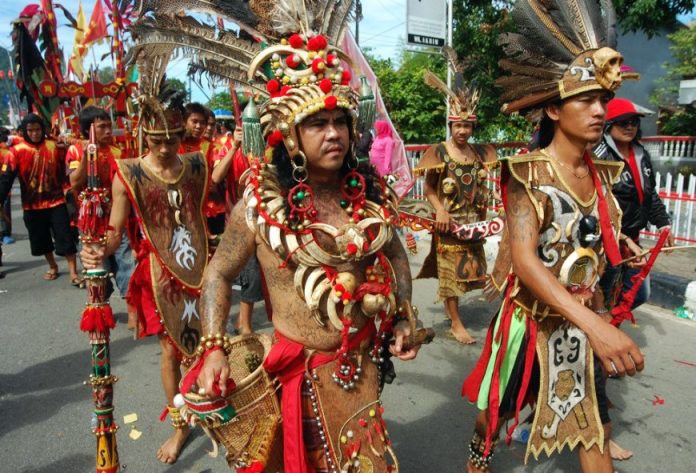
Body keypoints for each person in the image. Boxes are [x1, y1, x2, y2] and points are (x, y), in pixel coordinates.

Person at [193, 8, 427, 471]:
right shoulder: (260, 206)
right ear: (292, 137)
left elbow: (398, 254)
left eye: (340, 121)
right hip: (294, 370)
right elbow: (218, 271)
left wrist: (402, 315)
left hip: (357, 367)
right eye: (318, 123)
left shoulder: (371, 194)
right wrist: (214, 346)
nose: (335, 133)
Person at [461, 1, 645, 472]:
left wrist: (615, 247)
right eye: (586, 99)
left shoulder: (604, 172)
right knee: (491, 417)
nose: (600, 110)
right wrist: (596, 326)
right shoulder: (528, 175)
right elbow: (524, 259)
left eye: (603, 99)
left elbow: (589, 239)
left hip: (583, 322)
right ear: (553, 108)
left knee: (594, 429)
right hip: (531, 322)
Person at [80, 93, 209, 464]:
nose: (167, 147)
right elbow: (115, 230)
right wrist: (98, 250)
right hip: (158, 274)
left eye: (173, 138)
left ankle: (209, 404)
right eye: (158, 140)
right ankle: (181, 424)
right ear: (143, 135)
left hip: (200, 269)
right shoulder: (129, 172)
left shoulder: (196, 164)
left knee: (209, 343)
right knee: (170, 350)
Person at [414, 48, 497, 345]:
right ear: (450, 125)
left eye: (467, 125)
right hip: (448, 224)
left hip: (473, 224)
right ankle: (456, 322)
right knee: (450, 273)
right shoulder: (439, 152)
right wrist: (440, 211)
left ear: (473, 126)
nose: (462, 130)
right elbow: (430, 189)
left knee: (470, 271)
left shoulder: (480, 152)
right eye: (458, 125)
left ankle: (456, 314)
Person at [596, 98, 674, 310]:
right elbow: (596, 202)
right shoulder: (600, 157)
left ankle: (610, 328)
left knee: (638, 294)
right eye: (623, 122)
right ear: (609, 125)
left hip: (634, 240)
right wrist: (620, 238)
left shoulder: (641, 153)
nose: (630, 126)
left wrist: (664, 224)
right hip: (608, 241)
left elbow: (649, 195)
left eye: (634, 122)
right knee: (601, 298)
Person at [66, 106, 137, 326]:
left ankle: (133, 314)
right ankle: (101, 310)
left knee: (126, 264)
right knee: (98, 267)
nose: (109, 130)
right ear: (89, 130)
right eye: (102, 127)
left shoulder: (118, 152)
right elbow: (75, 183)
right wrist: (89, 153)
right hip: (90, 223)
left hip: (117, 219)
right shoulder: (76, 152)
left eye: (109, 125)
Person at [0, 114, 79, 285]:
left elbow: (68, 166)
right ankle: (52, 266)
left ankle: (73, 271)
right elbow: (5, 179)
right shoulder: (15, 152)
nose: (35, 133)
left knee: (65, 236)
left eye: (38, 130)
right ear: (24, 132)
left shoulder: (54, 146)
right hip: (32, 205)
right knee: (40, 240)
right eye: (31, 130)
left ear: (43, 129)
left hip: (56, 201)